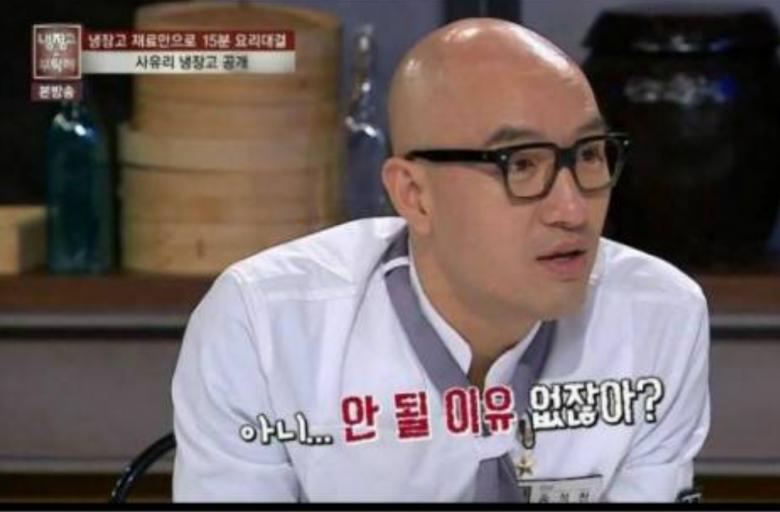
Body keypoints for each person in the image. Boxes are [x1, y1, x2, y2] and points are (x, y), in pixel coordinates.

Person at [171, 18, 709, 503]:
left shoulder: (659, 317)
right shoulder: (263, 324)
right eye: (521, 164)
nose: (572, 210)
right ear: (414, 195)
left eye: (589, 154)